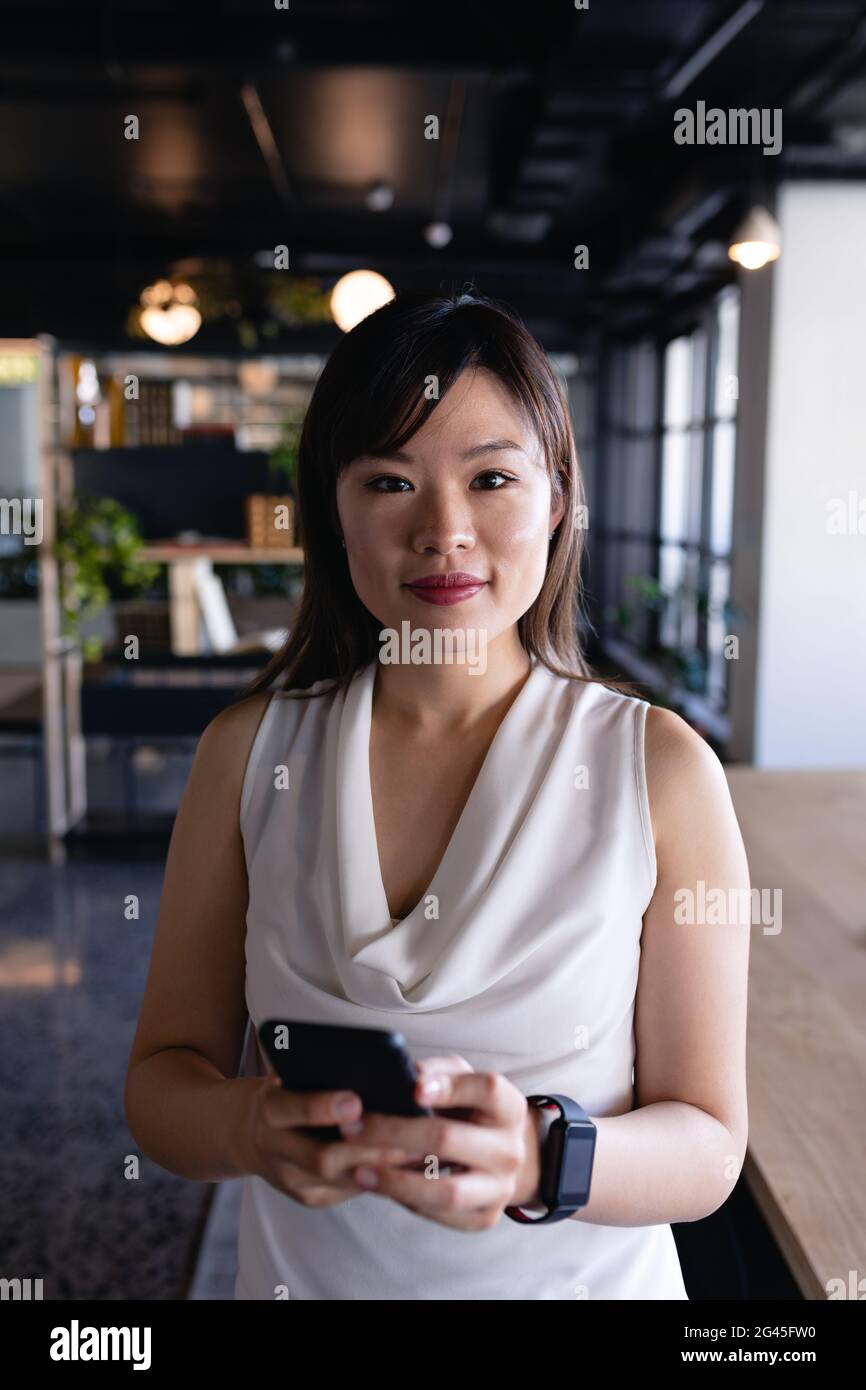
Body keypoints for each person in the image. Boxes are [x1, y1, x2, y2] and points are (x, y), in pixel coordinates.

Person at [124, 291, 751, 1300]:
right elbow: (161, 1083)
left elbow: (709, 1144)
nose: (442, 531)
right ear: (331, 511)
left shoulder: (658, 767)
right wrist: (247, 1125)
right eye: (388, 481)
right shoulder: (246, 754)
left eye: (490, 477)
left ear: (556, 497)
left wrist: (544, 1158)